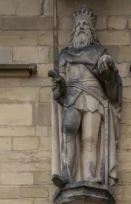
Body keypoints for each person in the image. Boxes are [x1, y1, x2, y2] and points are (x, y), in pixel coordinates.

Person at [48, 4, 121, 189]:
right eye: (79, 24)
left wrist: (109, 74)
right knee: (68, 130)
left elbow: (112, 91)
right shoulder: (65, 55)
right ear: (74, 30)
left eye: (85, 24)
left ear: (91, 30)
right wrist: (58, 86)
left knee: (90, 138)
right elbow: (61, 85)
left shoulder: (99, 54)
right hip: (72, 98)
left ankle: (89, 175)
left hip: (93, 98)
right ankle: (67, 172)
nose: (81, 26)